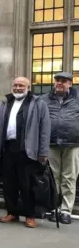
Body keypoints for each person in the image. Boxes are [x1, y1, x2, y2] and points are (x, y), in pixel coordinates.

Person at [0, 77, 50, 228]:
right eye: (15, 85)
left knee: (27, 185)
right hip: (8, 149)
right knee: (9, 184)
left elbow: (45, 129)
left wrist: (43, 151)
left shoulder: (38, 103)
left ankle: (30, 215)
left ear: (28, 87)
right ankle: (12, 212)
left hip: (27, 151)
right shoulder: (6, 102)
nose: (18, 88)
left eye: (21, 85)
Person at [41, 72, 78, 225]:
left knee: (69, 177)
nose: (59, 83)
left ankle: (65, 210)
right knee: (53, 177)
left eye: (64, 81)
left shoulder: (77, 98)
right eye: (57, 80)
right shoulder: (44, 99)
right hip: (51, 142)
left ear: (70, 83)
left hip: (74, 143)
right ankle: (53, 207)